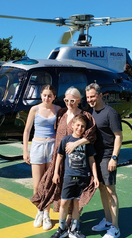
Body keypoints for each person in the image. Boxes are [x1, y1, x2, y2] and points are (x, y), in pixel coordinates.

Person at [31, 87, 97, 217]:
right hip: (60, 159)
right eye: (66, 100)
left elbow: (91, 135)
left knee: (76, 191)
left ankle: (72, 219)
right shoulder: (61, 113)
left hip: (76, 162)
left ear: (78, 100)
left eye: (72, 100)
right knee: (52, 186)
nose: (69, 103)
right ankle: (44, 213)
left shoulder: (84, 116)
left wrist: (76, 144)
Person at [50, 114, 99, 238]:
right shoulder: (66, 140)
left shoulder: (87, 143)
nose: (80, 128)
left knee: (78, 203)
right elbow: (59, 156)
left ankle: (74, 229)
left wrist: (96, 177)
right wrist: (56, 173)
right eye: (77, 125)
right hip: (69, 177)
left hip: (83, 177)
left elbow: (92, 160)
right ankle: (62, 228)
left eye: (83, 126)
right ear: (72, 126)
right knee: (64, 203)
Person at [86, 83, 123, 238]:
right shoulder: (92, 113)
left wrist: (114, 157)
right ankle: (107, 221)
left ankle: (115, 227)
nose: (90, 100)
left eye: (93, 96)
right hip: (97, 155)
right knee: (101, 188)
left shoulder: (111, 113)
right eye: (88, 97)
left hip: (108, 156)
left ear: (100, 95)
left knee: (110, 191)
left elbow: (118, 136)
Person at [23, 84, 61, 230]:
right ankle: (39, 211)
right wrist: (25, 151)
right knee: (37, 185)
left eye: (50, 95)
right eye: (44, 95)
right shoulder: (35, 109)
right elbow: (27, 131)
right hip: (37, 146)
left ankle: (47, 214)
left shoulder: (57, 109)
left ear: (54, 97)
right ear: (41, 95)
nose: (47, 98)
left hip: (51, 147)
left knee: (49, 183)